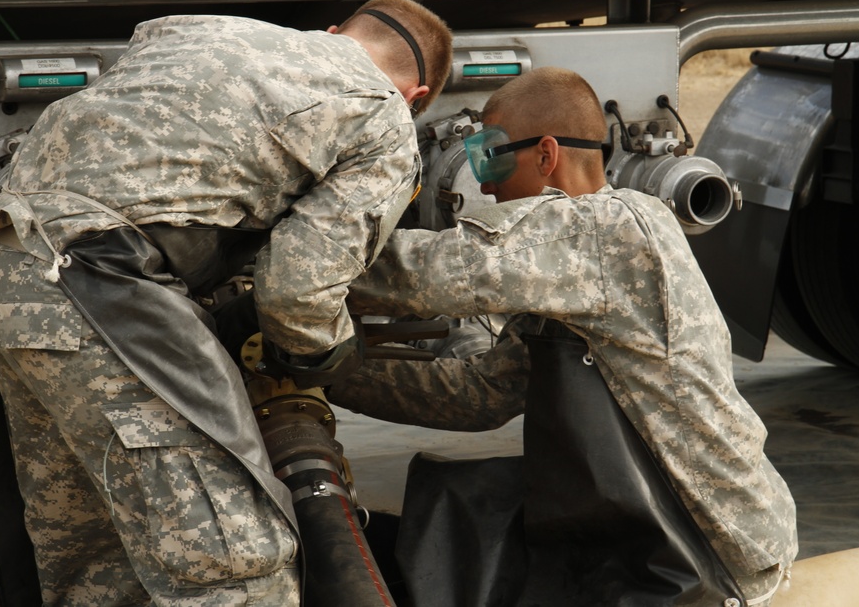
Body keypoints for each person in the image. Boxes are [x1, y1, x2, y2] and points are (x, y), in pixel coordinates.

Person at [0, 0, 453, 606]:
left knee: (95, 559)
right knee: (235, 559)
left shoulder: (197, 29)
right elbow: (299, 290)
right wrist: (324, 355)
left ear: (334, 32)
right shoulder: (383, 116)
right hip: (97, 285)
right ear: (417, 96)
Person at [328, 66, 799, 604]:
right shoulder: (578, 275)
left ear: (547, 155)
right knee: (450, 522)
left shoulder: (604, 229)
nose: (483, 182)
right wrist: (327, 372)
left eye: (490, 155)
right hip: (665, 530)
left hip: (705, 550)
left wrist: (288, 266)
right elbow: (477, 395)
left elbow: (423, 274)